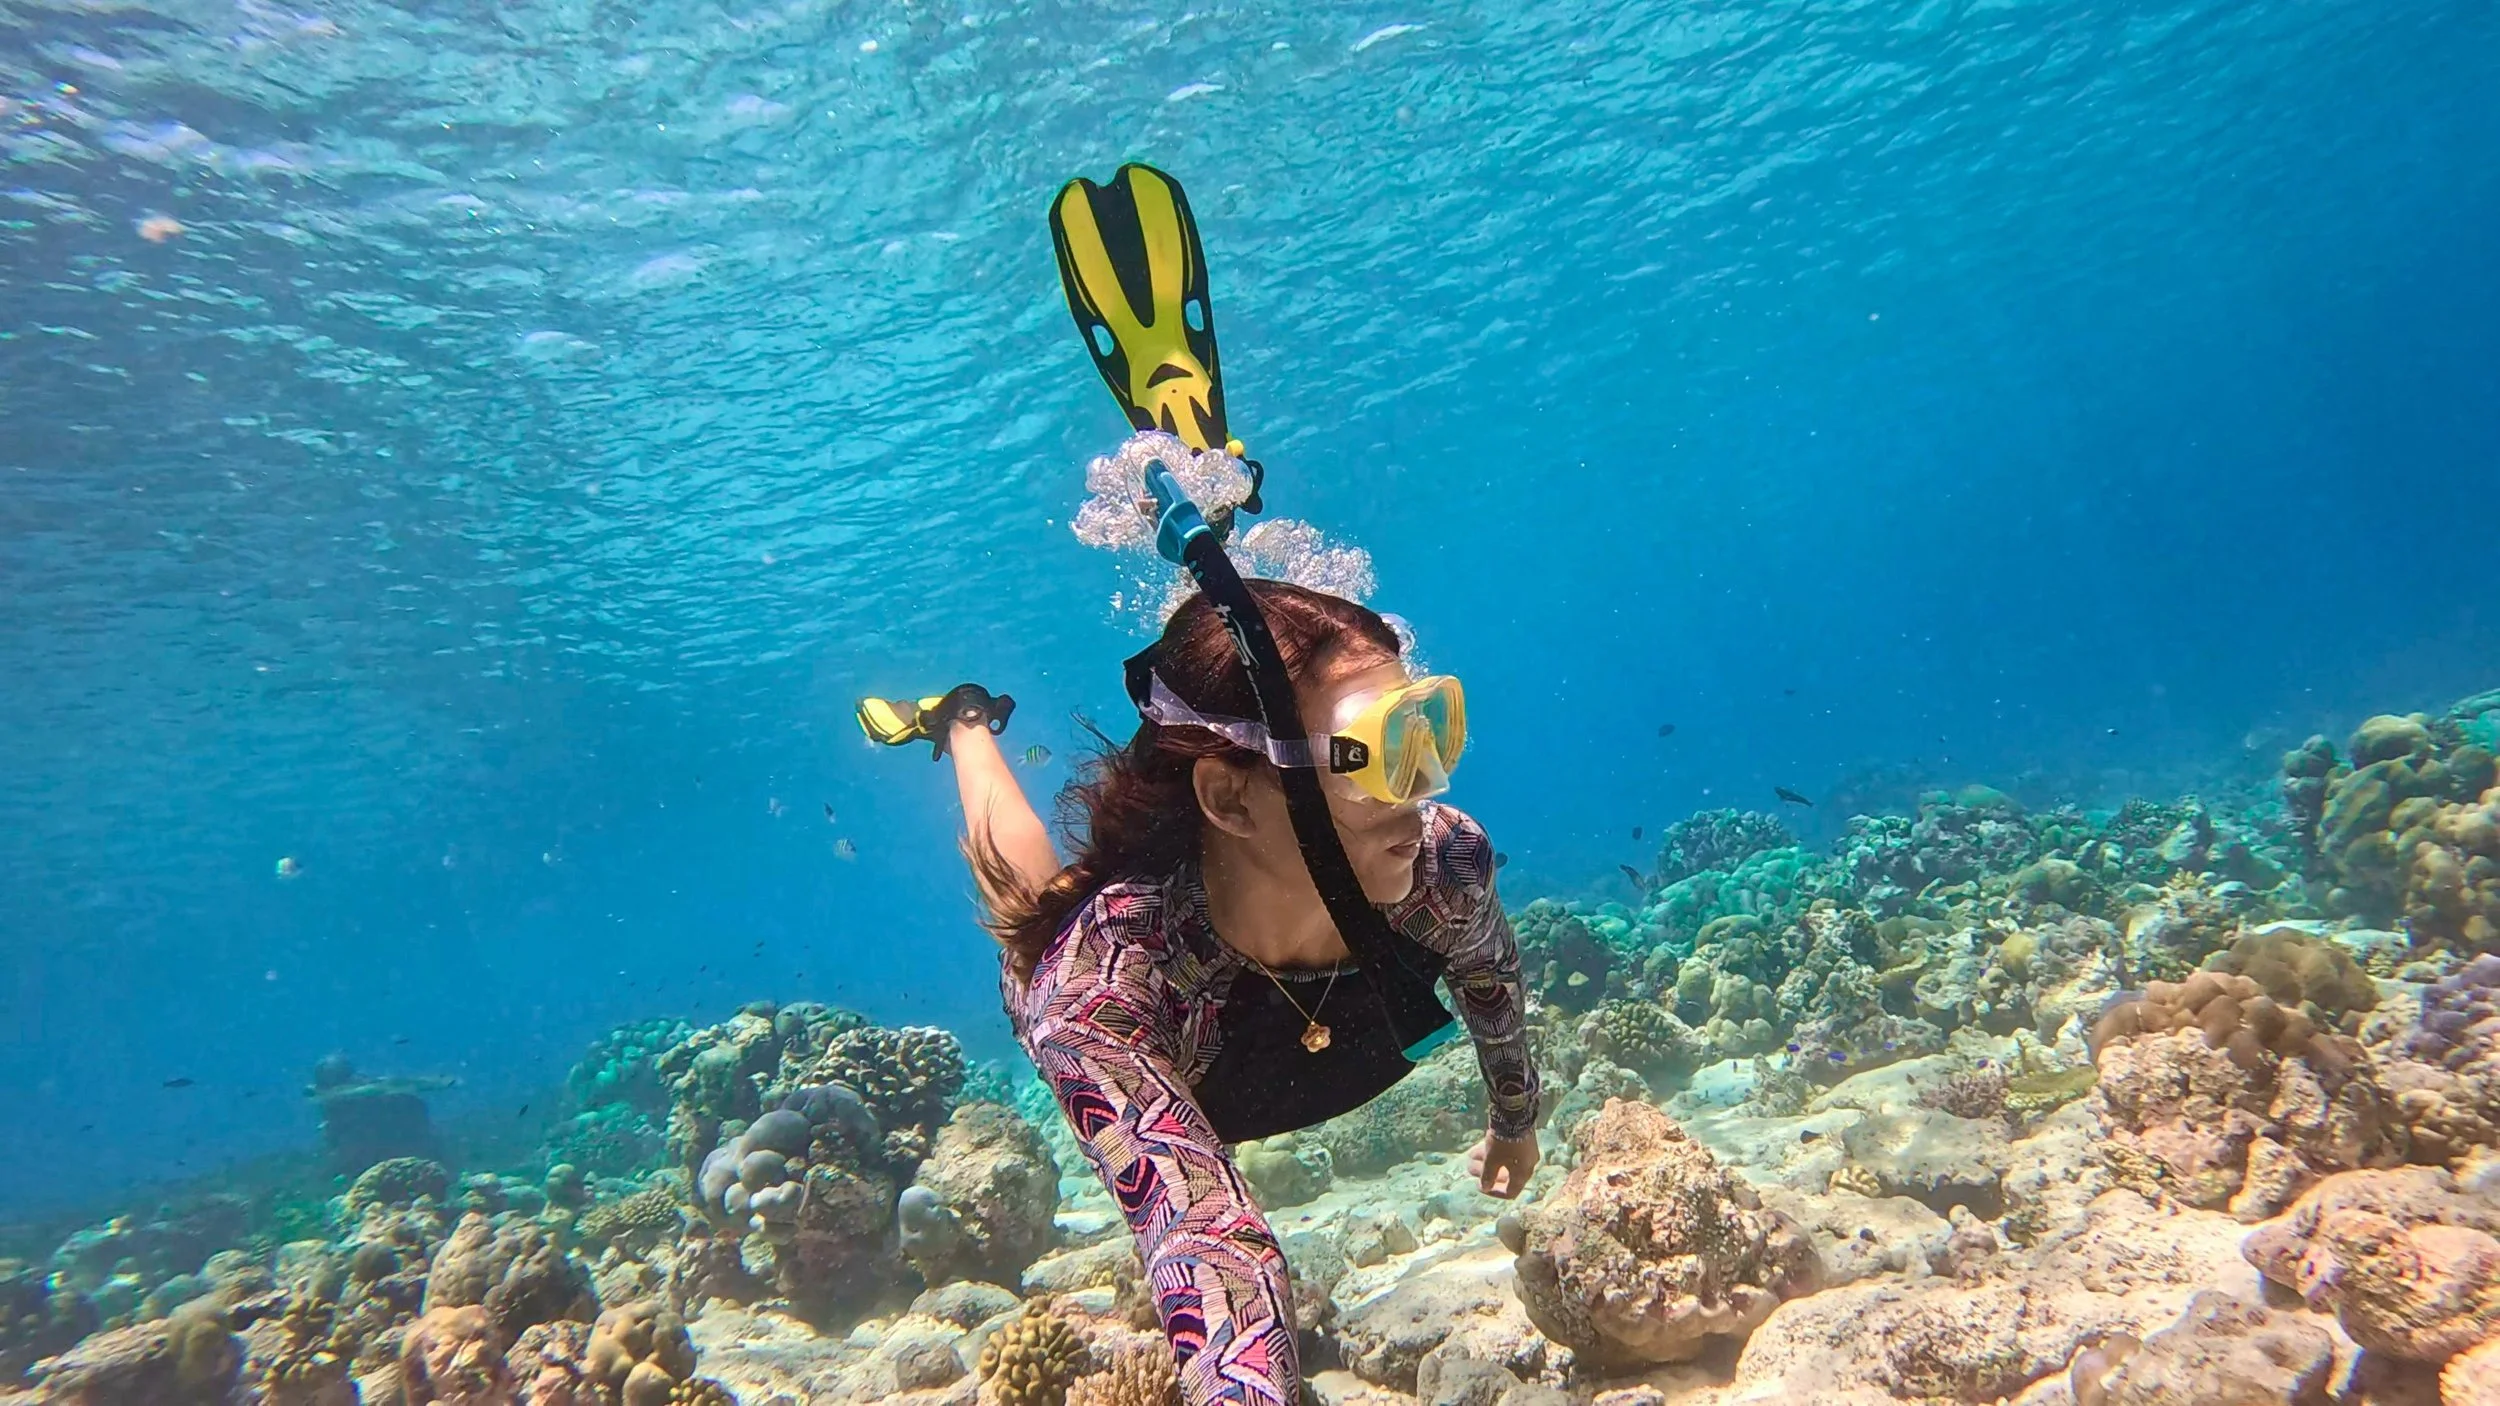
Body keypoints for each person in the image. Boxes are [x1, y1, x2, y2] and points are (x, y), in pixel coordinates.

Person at [860, 581, 1538, 1406]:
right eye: (1372, 756)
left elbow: (1490, 979)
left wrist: (1516, 1121)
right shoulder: (1099, 990)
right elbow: (1206, 1241)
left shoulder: (1442, 866)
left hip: (1278, 1018)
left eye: (1426, 734)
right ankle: (964, 721)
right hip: (1152, 1014)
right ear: (1227, 795)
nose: (1422, 792)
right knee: (1024, 900)